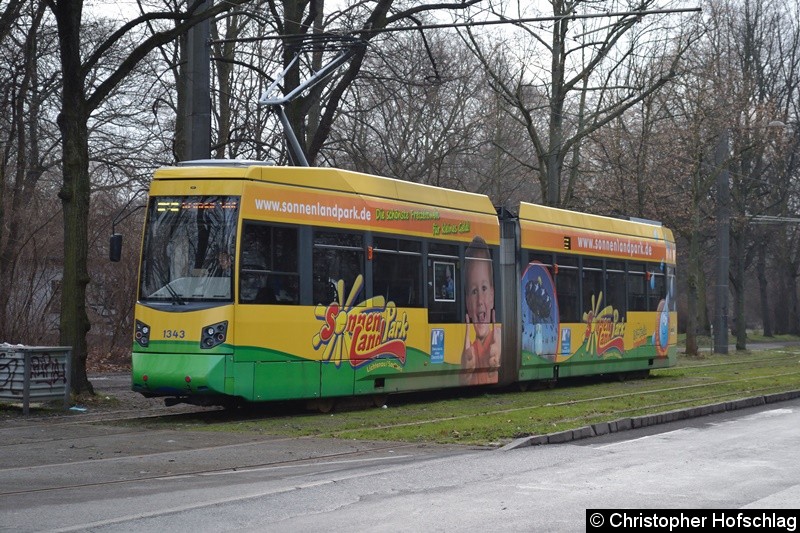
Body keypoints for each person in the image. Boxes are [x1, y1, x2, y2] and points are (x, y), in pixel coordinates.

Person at [461, 235, 501, 385]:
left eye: (484, 288)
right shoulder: (468, 350)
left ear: (492, 294)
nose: (479, 302)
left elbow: (499, 342)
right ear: (466, 301)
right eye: (473, 291)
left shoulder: (498, 338)